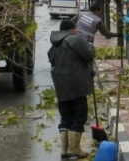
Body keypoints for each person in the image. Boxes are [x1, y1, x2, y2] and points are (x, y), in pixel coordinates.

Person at [48, 19, 95, 159]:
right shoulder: (74, 40)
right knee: (79, 115)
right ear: (71, 29)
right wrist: (91, 45)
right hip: (76, 85)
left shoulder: (54, 45)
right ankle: (74, 149)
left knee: (66, 116)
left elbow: (52, 60)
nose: (77, 31)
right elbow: (88, 55)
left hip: (61, 86)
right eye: (75, 28)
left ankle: (64, 150)